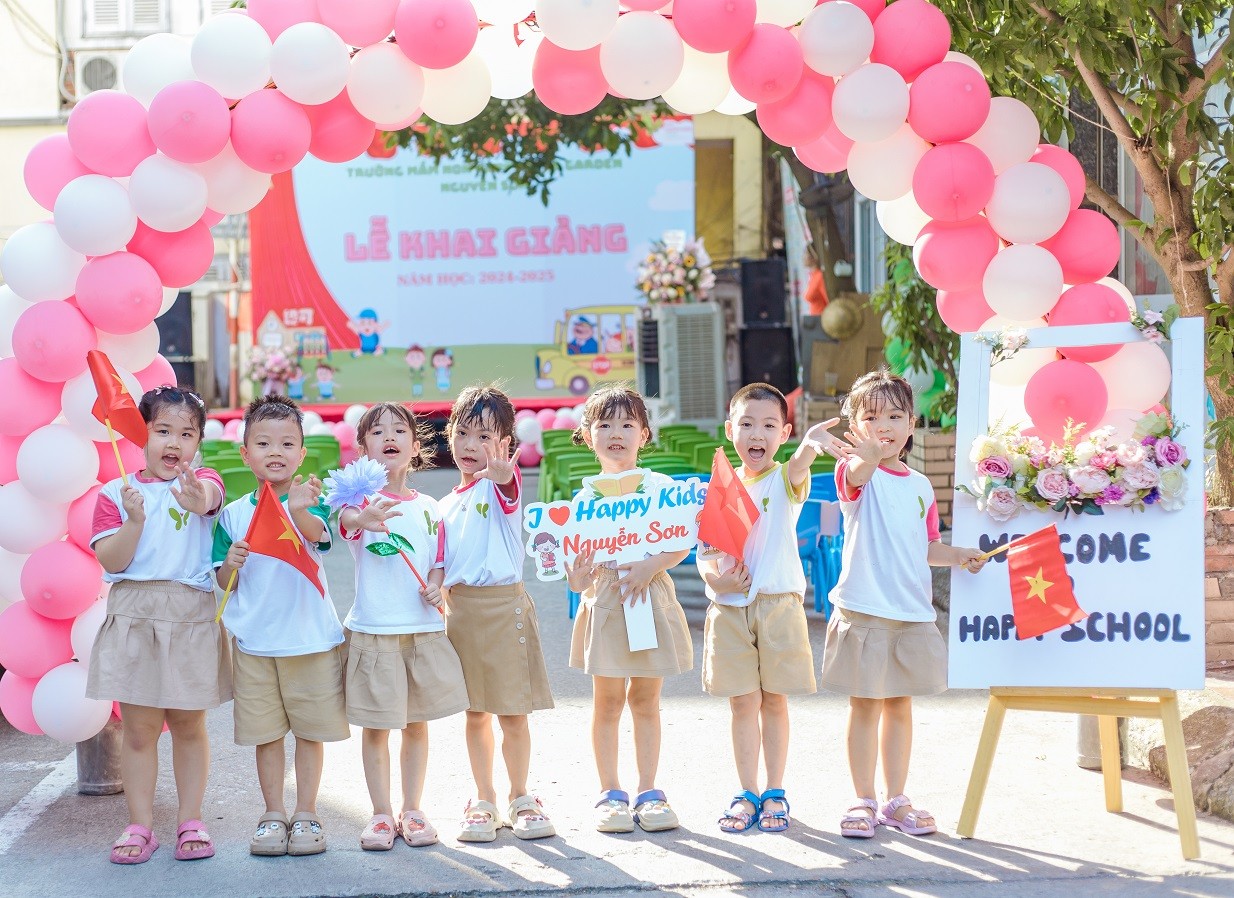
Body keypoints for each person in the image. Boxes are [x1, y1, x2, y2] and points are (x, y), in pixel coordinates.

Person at [822, 369, 986, 838]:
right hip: (864, 609)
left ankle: (896, 799)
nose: (884, 425)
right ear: (853, 424)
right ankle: (863, 800)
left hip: (911, 613)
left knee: (899, 706)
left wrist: (957, 556)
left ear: (912, 423)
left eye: (894, 415)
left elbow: (926, 545)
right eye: (871, 416)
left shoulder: (919, 485)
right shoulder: (855, 474)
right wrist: (866, 458)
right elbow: (857, 475)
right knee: (865, 706)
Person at [87, 386, 230, 864]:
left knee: (190, 724)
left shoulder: (202, 480)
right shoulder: (115, 493)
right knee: (140, 730)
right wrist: (132, 521)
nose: (175, 443)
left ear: (199, 442)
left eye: (187, 434)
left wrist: (196, 497)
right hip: (134, 614)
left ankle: (191, 819)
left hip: (189, 612)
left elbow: (208, 498)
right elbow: (112, 559)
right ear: (140, 434)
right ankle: (140, 825)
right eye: (163, 430)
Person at [699, 383, 847, 835]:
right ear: (730, 430)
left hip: (779, 604)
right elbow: (706, 550)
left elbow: (801, 464)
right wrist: (714, 579)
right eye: (746, 424)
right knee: (742, 703)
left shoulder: (786, 479)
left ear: (783, 433)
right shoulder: (721, 485)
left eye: (767, 425)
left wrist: (808, 447)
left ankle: (775, 790)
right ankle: (747, 791)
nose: (755, 434)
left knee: (774, 700)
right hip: (729, 608)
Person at [213, 395, 348, 857]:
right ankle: (273, 813)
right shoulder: (232, 515)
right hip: (254, 645)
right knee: (266, 735)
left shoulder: (313, 500)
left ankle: (307, 812)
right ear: (245, 452)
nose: (277, 451)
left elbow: (316, 534)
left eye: (288, 442)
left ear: (302, 453)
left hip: (310, 641)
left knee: (309, 732)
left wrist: (301, 509)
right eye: (264, 442)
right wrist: (229, 563)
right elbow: (222, 581)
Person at [338, 403, 469, 851]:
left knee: (416, 724)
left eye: (399, 430)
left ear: (416, 447)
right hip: (374, 630)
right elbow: (348, 525)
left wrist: (436, 587)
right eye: (378, 432)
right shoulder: (358, 504)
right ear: (364, 449)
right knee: (376, 727)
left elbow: (438, 561)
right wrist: (363, 516)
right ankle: (379, 813)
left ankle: (412, 809)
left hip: (421, 630)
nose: (389, 436)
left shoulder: (431, 508)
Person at [566, 384, 693, 834]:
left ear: (644, 434)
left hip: (649, 596)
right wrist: (578, 578)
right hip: (605, 601)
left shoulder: (661, 488)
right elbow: (574, 573)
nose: (616, 432)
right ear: (587, 433)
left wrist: (650, 565)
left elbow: (681, 542)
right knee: (606, 702)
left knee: (645, 700)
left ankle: (649, 791)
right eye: (604, 424)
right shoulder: (581, 501)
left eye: (626, 424)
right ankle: (610, 792)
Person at [440, 385, 556, 842]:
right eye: (463, 433)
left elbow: (508, 488)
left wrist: (505, 475)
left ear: (507, 443)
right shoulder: (445, 504)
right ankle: (484, 798)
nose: (471, 446)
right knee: (474, 714)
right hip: (461, 613)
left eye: (485, 437)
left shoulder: (502, 486)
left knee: (513, 714)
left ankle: (522, 796)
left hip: (504, 609)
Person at [803, 248, 829, 317]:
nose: (803, 257)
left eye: (806, 253)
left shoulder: (820, 276)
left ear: (814, 257)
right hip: (815, 320)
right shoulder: (813, 276)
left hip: (823, 321)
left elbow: (829, 300)